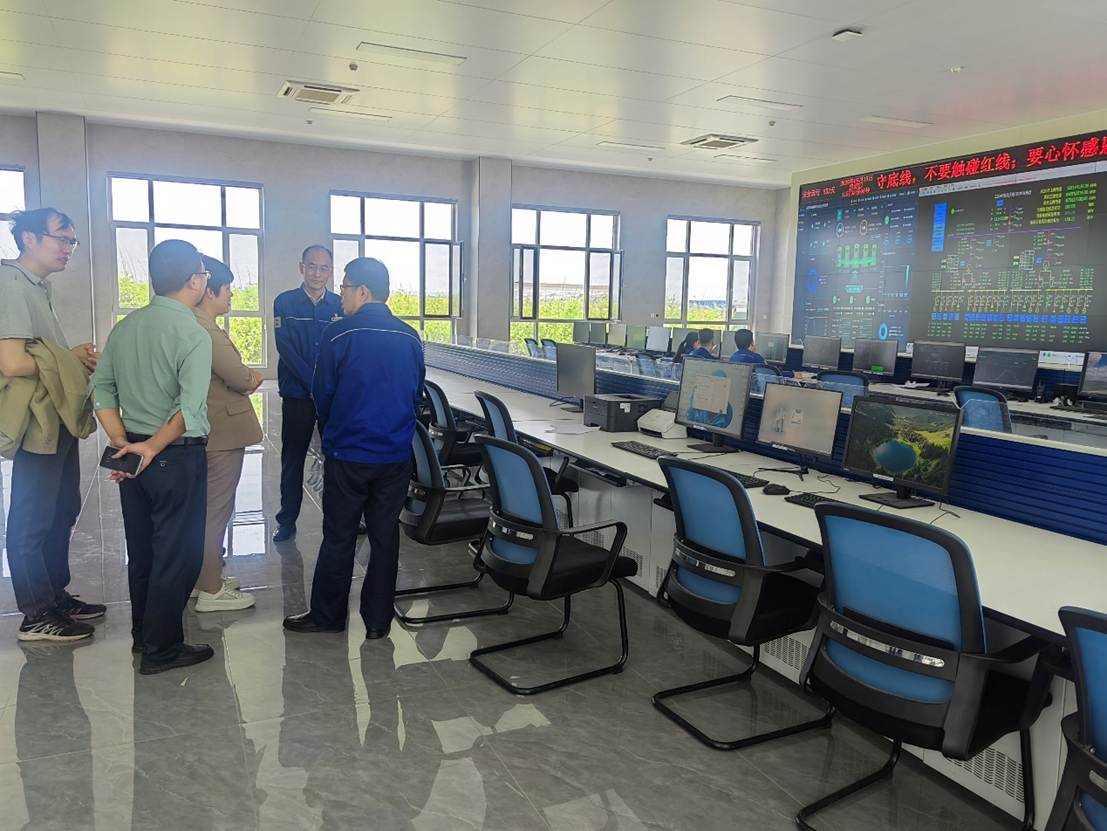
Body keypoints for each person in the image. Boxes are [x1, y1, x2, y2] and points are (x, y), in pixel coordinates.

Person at [90, 239, 215, 674]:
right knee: (177, 555)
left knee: (142, 549)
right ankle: (163, 650)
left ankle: (144, 637)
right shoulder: (192, 334)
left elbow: (101, 388)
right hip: (173, 456)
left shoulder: (126, 328)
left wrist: (124, 442)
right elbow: (189, 409)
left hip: (133, 453)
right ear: (195, 281)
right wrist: (152, 447)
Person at [283, 257, 425, 640]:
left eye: (344, 287)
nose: (341, 295)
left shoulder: (338, 334)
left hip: (349, 454)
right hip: (394, 456)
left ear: (363, 291)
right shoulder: (410, 336)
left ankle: (328, 616)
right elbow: (416, 395)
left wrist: (336, 430)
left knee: (340, 534)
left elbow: (322, 394)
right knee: (384, 536)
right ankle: (378, 621)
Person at [0, 208, 105, 642]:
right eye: (61, 238)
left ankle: (55, 595)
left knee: (62, 508)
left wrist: (69, 358)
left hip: (55, 414)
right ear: (29, 238)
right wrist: (69, 359)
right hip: (36, 420)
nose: (68, 248)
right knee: (32, 516)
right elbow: (11, 362)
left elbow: (42, 355)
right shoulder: (10, 282)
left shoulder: (38, 286)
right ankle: (36, 613)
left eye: (72, 241)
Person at [191, 255, 263, 612]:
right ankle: (211, 589)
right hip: (220, 432)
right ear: (209, 291)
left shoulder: (191, 323)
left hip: (208, 430)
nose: (231, 296)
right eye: (228, 289)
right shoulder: (204, 329)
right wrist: (252, 377)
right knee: (215, 509)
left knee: (205, 507)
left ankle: (203, 576)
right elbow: (239, 377)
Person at [271, 245, 342, 542]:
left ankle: (339, 519)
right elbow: (284, 347)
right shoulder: (284, 302)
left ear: (331, 272)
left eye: (324, 268)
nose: (317, 273)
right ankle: (287, 520)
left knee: (336, 458)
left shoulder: (339, 305)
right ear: (302, 267)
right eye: (312, 266)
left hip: (331, 398)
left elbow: (342, 349)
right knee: (293, 459)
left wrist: (325, 385)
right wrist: (314, 383)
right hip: (297, 395)